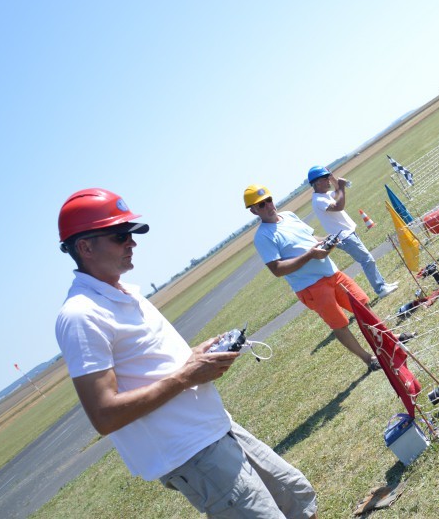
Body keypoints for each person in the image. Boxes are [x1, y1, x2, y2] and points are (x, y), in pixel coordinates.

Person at [54, 188, 318, 518]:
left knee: (298, 498)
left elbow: (149, 366)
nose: (132, 243)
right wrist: (186, 376)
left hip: (218, 427)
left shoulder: (124, 294)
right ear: (85, 247)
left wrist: (197, 354)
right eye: (121, 236)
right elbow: (104, 415)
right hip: (191, 452)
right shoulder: (81, 315)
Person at [244, 184, 389, 371]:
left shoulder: (289, 216)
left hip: (332, 273)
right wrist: (310, 255)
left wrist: (327, 241)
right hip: (311, 287)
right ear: (254, 210)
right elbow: (277, 269)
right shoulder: (262, 237)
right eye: (261, 205)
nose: (268, 205)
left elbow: (312, 238)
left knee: (363, 306)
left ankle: (387, 342)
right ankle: (369, 359)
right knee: (340, 324)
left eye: (268, 200)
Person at [306, 166, 398, 299]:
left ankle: (382, 284)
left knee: (367, 259)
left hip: (348, 233)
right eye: (325, 179)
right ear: (317, 182)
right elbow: (339, 206)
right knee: (367, 260)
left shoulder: (324, 195)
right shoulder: (319, 200)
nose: (328, 181)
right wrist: (342, 187)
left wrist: (333, 178)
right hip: (344, 237)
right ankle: (380, 289)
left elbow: (338, 191)